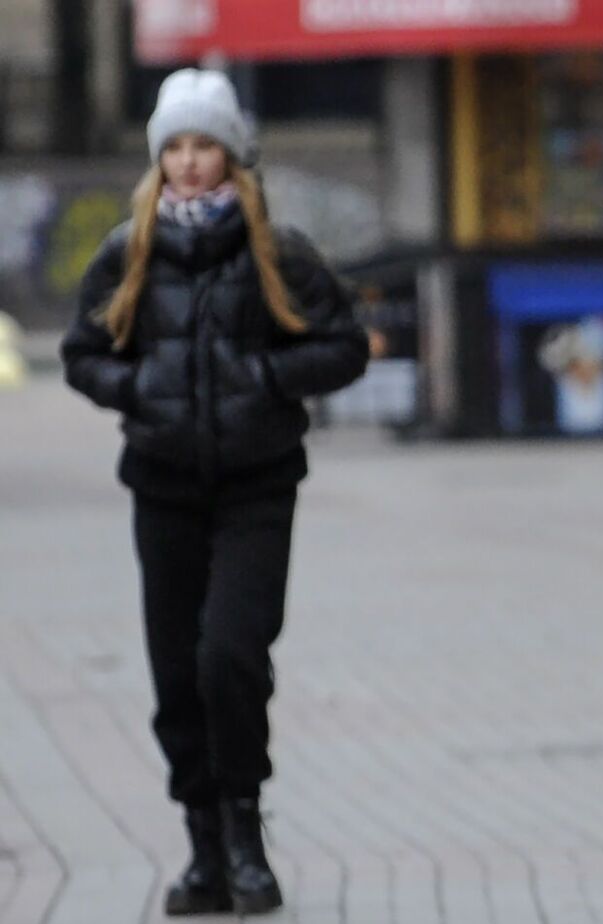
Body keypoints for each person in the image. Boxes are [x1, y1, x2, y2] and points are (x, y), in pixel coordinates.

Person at [60, 68, 369, 916]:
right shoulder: (128, 249)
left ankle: (244, 832)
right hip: (161, 487)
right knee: (175, 673)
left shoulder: (280, 249)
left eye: (206, 146)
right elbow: (82, 356)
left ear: (233, 156)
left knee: (230, 655)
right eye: (177, 147)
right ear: (160, 158)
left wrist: (265, 375)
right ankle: (202, 849)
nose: (192, 163)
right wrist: (141, 389)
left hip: (258, 485)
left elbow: (345, 347)